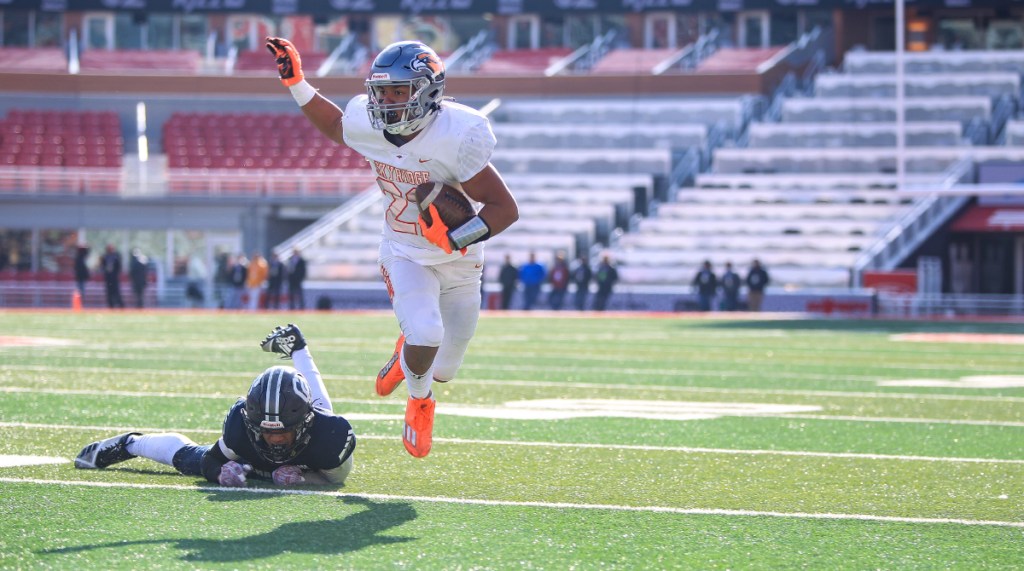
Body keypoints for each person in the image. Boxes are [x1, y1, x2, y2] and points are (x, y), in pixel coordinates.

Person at [266, 37, 518, 458]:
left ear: (428, 91)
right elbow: (335, 125)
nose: (387, 102)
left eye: (399, 91)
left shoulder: (456, 135)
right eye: (381, 92)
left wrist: (454, 237)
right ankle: (420, 402)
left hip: (460, 262)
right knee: (427, 333)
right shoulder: (368, 124)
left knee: (444, 368)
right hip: (403, 250)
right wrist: (297, 82)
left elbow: (504, 209)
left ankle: (408, 357)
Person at [74, 324, 356, 487]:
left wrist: (306, 478)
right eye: (268, 431)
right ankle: (130, 444)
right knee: (189, 460)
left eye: (283, 432)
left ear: (305, 422)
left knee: (323, 407)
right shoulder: (240, 428)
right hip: (252, 460)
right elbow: (210, 460)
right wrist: (220, 473)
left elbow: (336, 479)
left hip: (306, 441)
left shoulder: (329, 436)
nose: (276, 439)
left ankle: (298, 347)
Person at [100, 244, 124, 309]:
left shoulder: (116, 256)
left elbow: (119, 266)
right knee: (109, 294)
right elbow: (102, 266)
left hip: (114, 278)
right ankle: (111, 307)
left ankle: (121, 306)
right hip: (108, 278)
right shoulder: (105, 257)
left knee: (117, 293)